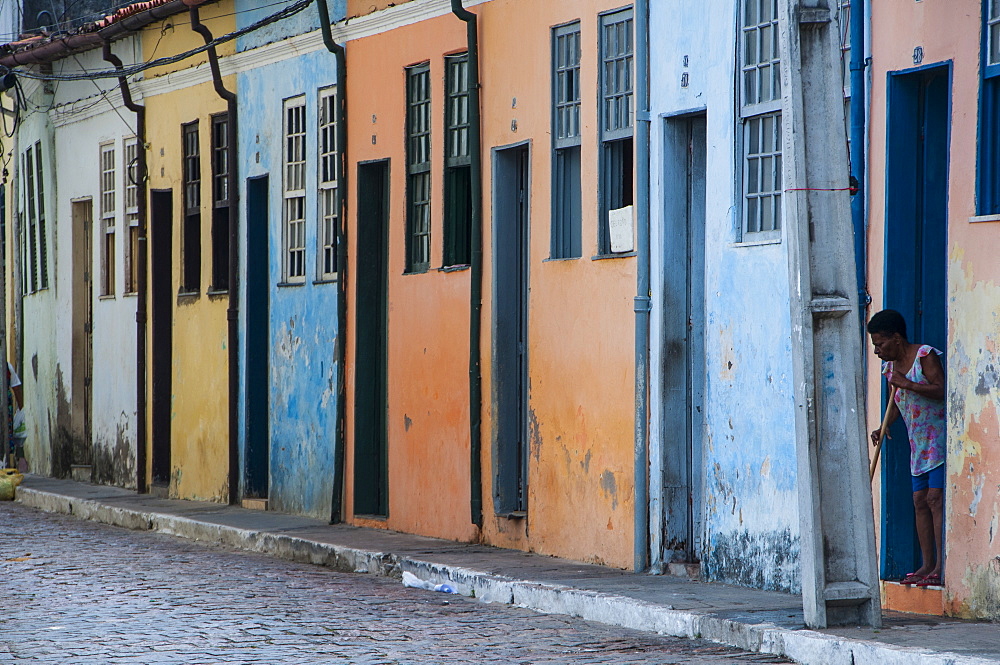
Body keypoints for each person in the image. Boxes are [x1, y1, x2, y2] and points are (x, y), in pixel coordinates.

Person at [867, 309, 946, 587]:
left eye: (880, 343)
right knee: (919, 502)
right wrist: (883, 425)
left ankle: (941, 565)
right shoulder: (890, 369)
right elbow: (896, 404)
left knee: (935, 499)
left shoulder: (925, 356)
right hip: (917, 445)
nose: (877, 350)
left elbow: (941, 390)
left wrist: (909, 383)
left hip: (937, 440)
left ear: (897, 338)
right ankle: (926, 564)